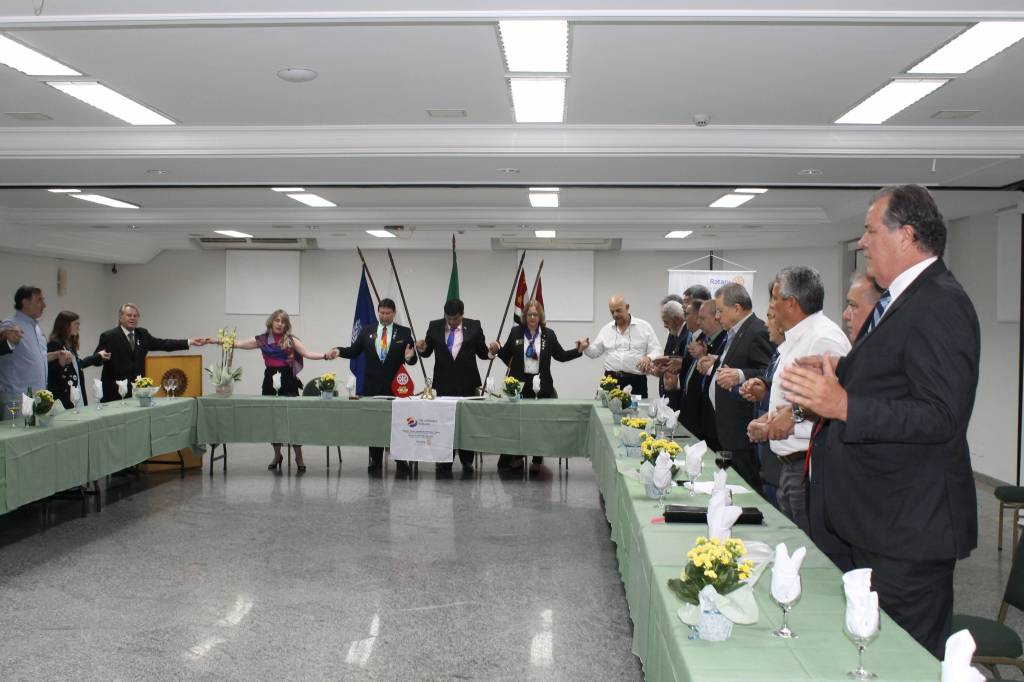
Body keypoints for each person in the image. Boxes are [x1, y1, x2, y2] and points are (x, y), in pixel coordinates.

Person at [781, 184, 980, 658]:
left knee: (903, 660)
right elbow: (895, 378)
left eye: (871, 231)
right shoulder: (902, 301)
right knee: (872, 654)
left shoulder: (940, 302)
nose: (862, 242)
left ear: (906, 235)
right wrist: (839, 370)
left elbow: (943, 415)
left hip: (909, 531)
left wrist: (845, 405)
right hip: (879, 522)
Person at [746, 267, 850, 532]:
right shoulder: (795, 338)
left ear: (791, 303)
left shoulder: (822, 339)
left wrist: (793, 416)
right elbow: (792, 400)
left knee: (810, 548)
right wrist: (769, 420)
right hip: (790, 466)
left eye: (774, 299)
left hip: (810, 467)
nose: (770, 306)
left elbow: (837, 403)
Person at [801, 271, 882, 573]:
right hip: (831, 495)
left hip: (862, 507)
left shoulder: (880, 361)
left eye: (853, 306)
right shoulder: (859, 356)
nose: (845, 315)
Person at [488, 299, 585, 472]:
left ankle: (537, 460)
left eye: (535, 314)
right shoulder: (516, 332)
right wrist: (496, 350)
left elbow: (561, 356)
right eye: (529, 314)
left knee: (539, 425)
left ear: (540, 316)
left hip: (541, 385)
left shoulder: (549, 334)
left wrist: (578, 350)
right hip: (519, 385)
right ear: (524, 316)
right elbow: (507, 355)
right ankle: (516, 457)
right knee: (517, 424)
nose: (532, 317)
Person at [232, 309, 334, 473]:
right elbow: (238, 343)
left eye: (283, 321)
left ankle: (299, 457)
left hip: (288, 381)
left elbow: (307, 353)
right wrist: (217, 341)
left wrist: (325, 356)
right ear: (271, 322)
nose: (280, 324)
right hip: (270, 381)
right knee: (273, 420)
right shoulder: (263, 340)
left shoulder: (291, 340)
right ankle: (277, 455)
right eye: (277, 320)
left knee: (293, 419)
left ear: (286, 325)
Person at [328, 298, 418, 474]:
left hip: (396, 387)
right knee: (375, 424)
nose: (384, 316)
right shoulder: (367, 330)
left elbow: (412, 359)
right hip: (372, 386)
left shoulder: (404, 332)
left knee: (398, 424)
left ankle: (400, 460)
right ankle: (375, 460)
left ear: (394, 313)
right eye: (381, 313)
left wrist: (409, 358)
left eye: (387, 313)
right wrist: (338, 351)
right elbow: (353, 351)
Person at [702, 283, 772, 493]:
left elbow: (769, 372)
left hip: (743, 431)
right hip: (728, 429)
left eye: (720, 311)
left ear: (737, 308)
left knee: (747, 491)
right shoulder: (735, 332)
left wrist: (741, 375)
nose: (717, 317)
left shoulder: (757, 331)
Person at [415, 299, 491, 475]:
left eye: (455, 319)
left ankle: (467, 460)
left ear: (462, 315)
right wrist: (422, 347)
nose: (451, 322)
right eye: (448, 318)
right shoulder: (435, 326)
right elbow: (427, 351)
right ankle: (445, 460)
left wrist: (492, 351)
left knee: (467, 422)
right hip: (444, 382)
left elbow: (482, 353)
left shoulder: (474, 326)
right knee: (443, 422)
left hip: (468, 382)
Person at [94, 303, 209, 402]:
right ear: (120, 318)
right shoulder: (109, 336)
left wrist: (189, 342)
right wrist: (101, 358)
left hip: (138, 392)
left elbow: (164, 344)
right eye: (129, 315)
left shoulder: (142, 334)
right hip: (114, 393)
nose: (132, 318)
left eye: (135, 316)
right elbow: (96, 359)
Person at [0, 286, 71, 418]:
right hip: (18, 400)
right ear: (25, 302)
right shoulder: (10, 325)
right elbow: (3, 345)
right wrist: (8, 338)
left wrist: (57, 355)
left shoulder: (36, 328)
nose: (44, 305)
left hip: (38, 398)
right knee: (18, 432)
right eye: (39, 300)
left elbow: (37, 358)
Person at [583, 294, 662, 398]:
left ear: (627, 307)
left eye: (618, 310)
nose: (615, 314)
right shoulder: (606, 329)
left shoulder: (644, 327)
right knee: (603, 408)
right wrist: (585, 347)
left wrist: (648, 358)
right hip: (610, 380)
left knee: (636, 408)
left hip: (636, 381)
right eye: (612, 312)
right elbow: (594, 352)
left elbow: (657, 350)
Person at [47, 311, 111, 409]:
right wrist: (60, 364)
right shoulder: (55, 344)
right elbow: (50, 374)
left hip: (76, 394)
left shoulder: (69, 344)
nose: (78, 327)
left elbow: (78, 365)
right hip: (64, 399)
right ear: (66, 325)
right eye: (76, 324)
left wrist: (98, 356)